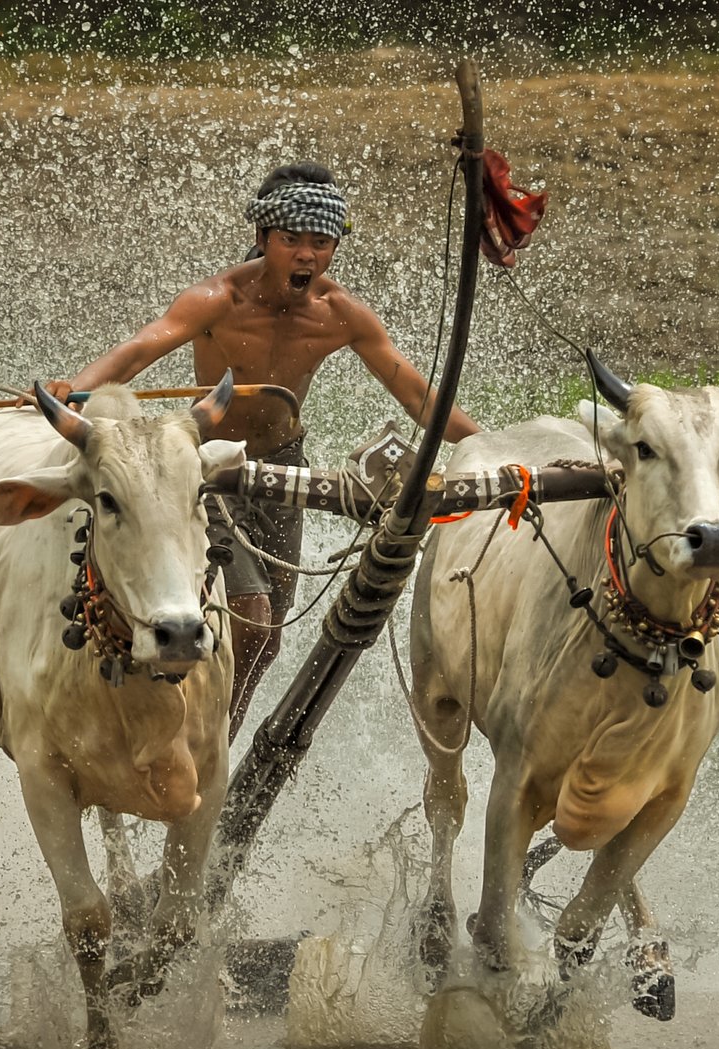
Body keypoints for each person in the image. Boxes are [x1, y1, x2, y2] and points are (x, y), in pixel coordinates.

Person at [48, 162, 479, 738]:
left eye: (320, 243)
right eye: (291, 240)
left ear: (333, 248)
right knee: (248, 619)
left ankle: (218, 733)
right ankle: (195, 733)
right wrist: (73, 390)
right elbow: (133, 353)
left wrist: (488, 445)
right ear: (263, 238)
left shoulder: (341, 314)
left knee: (268, 637)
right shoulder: (215, 299)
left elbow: (420, 400)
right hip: (216, 468)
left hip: (284, 470)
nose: (306, 255)